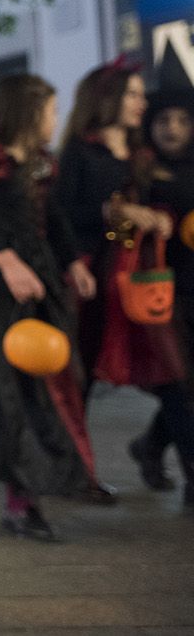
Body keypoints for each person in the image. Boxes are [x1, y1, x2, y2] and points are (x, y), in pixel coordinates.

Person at [0, 74, 93, 540]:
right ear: (26, 112)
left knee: (54, 387)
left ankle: (62, 477)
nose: (54, 118)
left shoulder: (37, 164)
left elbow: (53, 221)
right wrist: (8, 262)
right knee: (11, 397)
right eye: (49, 110)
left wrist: (73, 264)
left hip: (40, 289)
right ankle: (21, 501)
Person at [55, 62, 186, 504]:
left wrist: (158, 219)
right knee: (81, 377)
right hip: (92, 280)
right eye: (132, 94)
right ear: (108, 98)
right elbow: (61, 217)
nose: (141, 103)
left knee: (171, 372)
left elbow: (158, 205)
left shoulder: (140, 152)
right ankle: (75, 474)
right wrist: (112, 217)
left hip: (138, 279)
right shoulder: (79, 150)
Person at [131, 87, 194, 504]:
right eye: (163, 121)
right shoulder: (141, 170)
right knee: (179, 383)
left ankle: (150, 445)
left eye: (182, 120)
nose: (172, 129)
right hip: (163, 292)